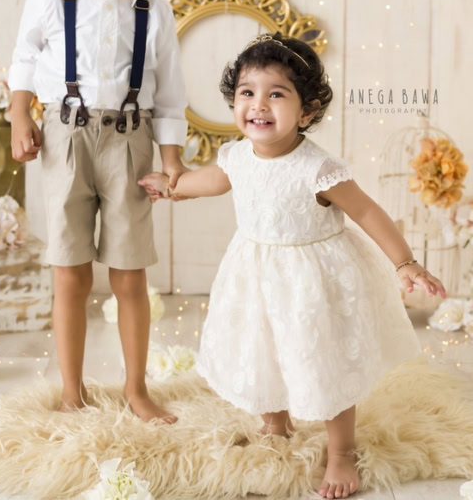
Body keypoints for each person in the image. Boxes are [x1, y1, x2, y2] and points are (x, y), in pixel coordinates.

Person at [139, 33, 446, 498]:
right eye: (247, 92)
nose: (258, 105)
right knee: (263, 348)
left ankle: (341, 452)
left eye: (276, 94)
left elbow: (366, 212)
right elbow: (211, 181)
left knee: (325, 361)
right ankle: (275, 423)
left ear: (306, 111)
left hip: (312, 282)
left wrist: (405, 263)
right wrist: (171, 186)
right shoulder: (237, 156)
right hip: (256, 277)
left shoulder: (316, 169)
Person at [8, 0, 188, 424]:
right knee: (70, 270)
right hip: (65, 138)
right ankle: (71, 390)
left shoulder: (154, 8)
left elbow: (170, 93)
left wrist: (172, 160)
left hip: (131, 142)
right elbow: (24, 59)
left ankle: (136, 389)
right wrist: (19, 115)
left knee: (130, 273)